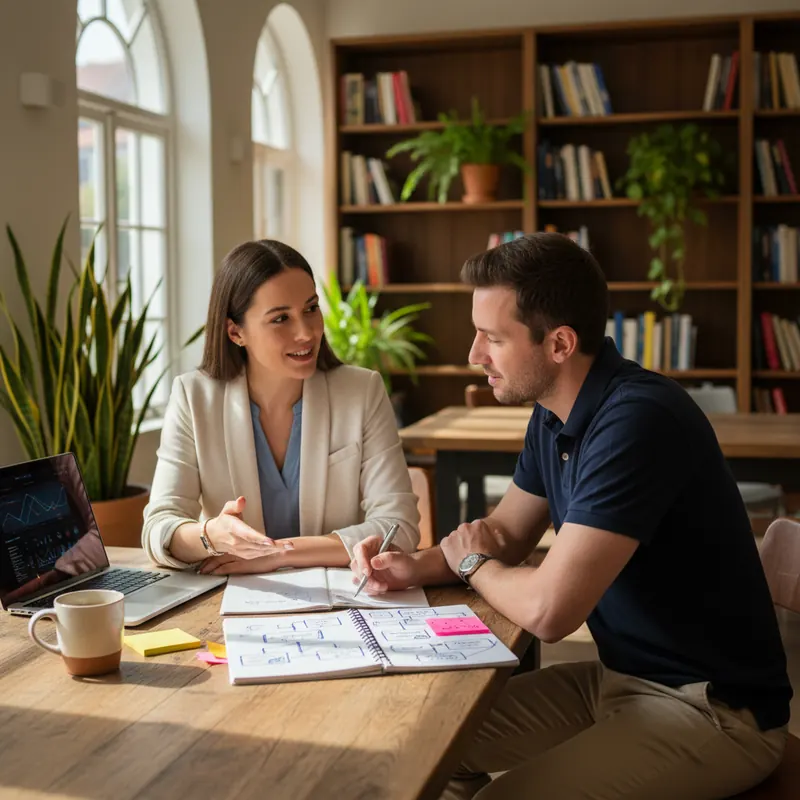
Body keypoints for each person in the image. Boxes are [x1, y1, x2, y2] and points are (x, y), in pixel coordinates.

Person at [350, 232, 791, 799]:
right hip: (621, 679)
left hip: (713, 710)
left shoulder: (637, 421)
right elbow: (507, 532)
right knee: (425, 739)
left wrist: (472, 564)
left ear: (558, 343)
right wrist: (411, 566)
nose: (473, 355)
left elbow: (550, 610)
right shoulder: (556, 414)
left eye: (491, 338)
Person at [142, 239, 419, 574]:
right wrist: (209, 536)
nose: (306, 332)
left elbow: (398, 526)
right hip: (230, 602)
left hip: (342, 599)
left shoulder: (361, 391)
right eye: (280, 319)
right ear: (235, 332)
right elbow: (159, 528)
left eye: (310, 309)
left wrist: (279, 553)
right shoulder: (194, 397)